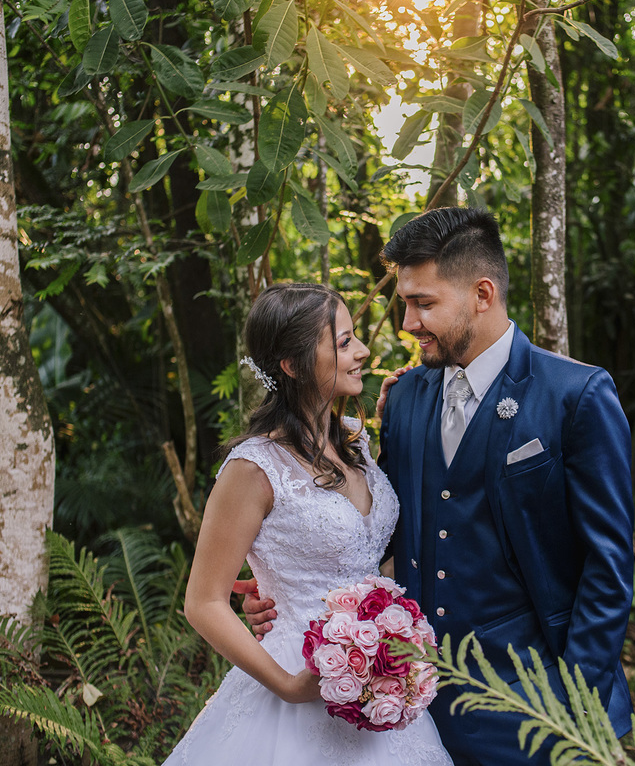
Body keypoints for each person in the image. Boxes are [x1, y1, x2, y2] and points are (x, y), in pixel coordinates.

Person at [243, 208, 635, 765]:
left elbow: (608, 564)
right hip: (414, 706)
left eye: (423, 303)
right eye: (405, 302)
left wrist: (577, 701)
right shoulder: (404, 398)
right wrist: (284, 595)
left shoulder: (576, 395)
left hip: (541, 700)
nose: (408, 322)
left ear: (482, 294)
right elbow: (377, 535)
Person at [163, 283, 452, 766]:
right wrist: (288, 686)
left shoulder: (355, 444)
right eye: (343, 342)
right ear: (293, 366)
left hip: (379, 685)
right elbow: (203, 602)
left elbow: (370, 554)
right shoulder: (254, 468)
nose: (362, 351)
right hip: (296, 682)